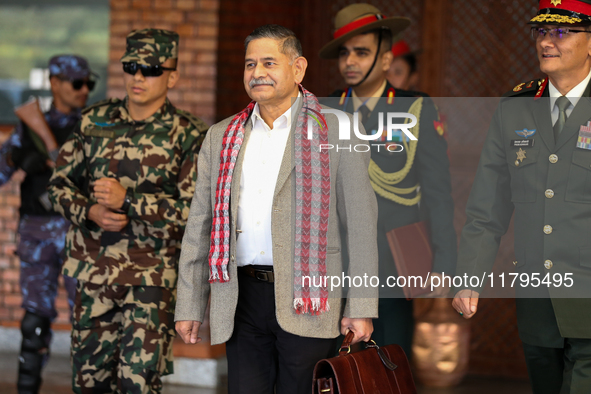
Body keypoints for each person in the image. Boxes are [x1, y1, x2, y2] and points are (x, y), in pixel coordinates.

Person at [174, 24, 379, 394]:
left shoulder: (339, 129)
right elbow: (200, 225)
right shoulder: (222, 136)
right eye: (250, 64)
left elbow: (361, 226)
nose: (257, 73)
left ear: (298, 69)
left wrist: (361, 305)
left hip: (311, 297)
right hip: (241, 298)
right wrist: (188, 305)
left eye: (269, 62)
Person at [47, 29, 208, 394]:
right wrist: (90, 210)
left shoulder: (190, 135)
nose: (139, 76)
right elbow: (57, 187)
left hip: (152, 281)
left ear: (173, 76)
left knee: (137, 385)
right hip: (94, 274)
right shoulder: (93, 122)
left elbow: (194, 213)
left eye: (151, 69)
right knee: (89, 384)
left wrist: (129, 202)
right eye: (131, 66)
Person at [452, 1, 591, 393]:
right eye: (542, 32)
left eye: (562, 32)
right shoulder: (514, 109)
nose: (547, 41)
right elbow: (486, 208)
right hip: (537, 300)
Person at [319, 3, 457, 357]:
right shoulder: (324, 111)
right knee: (335, 366)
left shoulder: (415, 109)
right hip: (334, 261)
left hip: (393, 264)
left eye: (362, 52)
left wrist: (443, 263)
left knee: (390, 361)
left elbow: (438, 191)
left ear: (384, 60)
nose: (350, 61)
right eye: (344, 53)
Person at [0, 54, 94, 394]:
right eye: (76, 83)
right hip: (38, 231)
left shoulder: (94, 125)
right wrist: (18, 156)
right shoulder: (31, 124)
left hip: (80, 234)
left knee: (87, 322)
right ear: (54, 83)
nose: (84, 90)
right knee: (34, 322)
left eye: (89, 83)